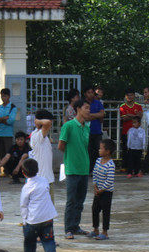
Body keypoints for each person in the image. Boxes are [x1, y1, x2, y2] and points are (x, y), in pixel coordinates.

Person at [19, 158, 59, 252]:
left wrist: (24, 220)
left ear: (23, 173)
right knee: (48, 240)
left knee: (29, 242)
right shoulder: (44, 181)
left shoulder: (26, 187)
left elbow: (23, 205)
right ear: (37, 170)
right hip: (47, 217)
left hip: (33, 220)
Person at [59, 99, 92, 239]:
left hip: (84, 168)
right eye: (86, 108)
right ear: (78, 109)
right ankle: (68, 228)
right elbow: (61, 145)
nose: (88, 111)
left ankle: (75, 226)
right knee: (71, 200)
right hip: (72, 169)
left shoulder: (87, 127)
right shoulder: (69, 126)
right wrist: (71, 156)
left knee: (80, 201)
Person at [89, 139, 116, 241]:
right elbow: (95, 173)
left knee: (105, 211)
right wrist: (95, 186)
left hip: (106, 192)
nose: (99, 150)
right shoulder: (98, 161)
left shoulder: (111, 165)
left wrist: (101, 190)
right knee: (95, 209)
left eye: (101, 148)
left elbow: (109, 180)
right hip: (98, 191)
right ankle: (95, 229)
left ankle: (105, 231)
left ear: (107, 151)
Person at [29, 109, 55, 200]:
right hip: (43, 180)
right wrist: (38, 121)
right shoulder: (37, 135)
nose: (51, 125)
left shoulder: (43, 136)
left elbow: (47, 123)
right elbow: (47, 123)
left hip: (46, 179)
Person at [0, 88, 18, 164]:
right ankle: (4, 169)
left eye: (5, 96)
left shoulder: (12, 107)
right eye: (2, 96)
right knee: (1, 154)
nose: (3, 98)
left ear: (9, 96)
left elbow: (11, 120)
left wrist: (0, 120)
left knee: (9, 153)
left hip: (8, 134)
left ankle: (10, 168)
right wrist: (4, 118)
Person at [84, 86, 105, 170]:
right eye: (88, 92)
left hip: (97, 131)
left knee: (98, 151)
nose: (91, 94)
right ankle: (88, 169)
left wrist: (91, 115)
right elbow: (84, 117)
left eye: (92, 92)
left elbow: (102, 114)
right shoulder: (83, 103)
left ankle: (96, 169)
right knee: (87, 151)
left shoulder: (98, 103)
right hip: (86, 132)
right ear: (85, 94)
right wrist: (96, 115)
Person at [118, 89, 143, 159]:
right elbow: (124, 118)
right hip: (126, 131)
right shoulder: (122, 106)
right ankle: (125, 164)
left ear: (134, 96)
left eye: (131, 95)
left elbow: (139, 117)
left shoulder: (138, 106)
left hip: (137, 132)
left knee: (136, 150)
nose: (129, 97)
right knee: (125, 150)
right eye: (128, 95)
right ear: (125, 96)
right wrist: (135, 116)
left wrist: (129, 115)